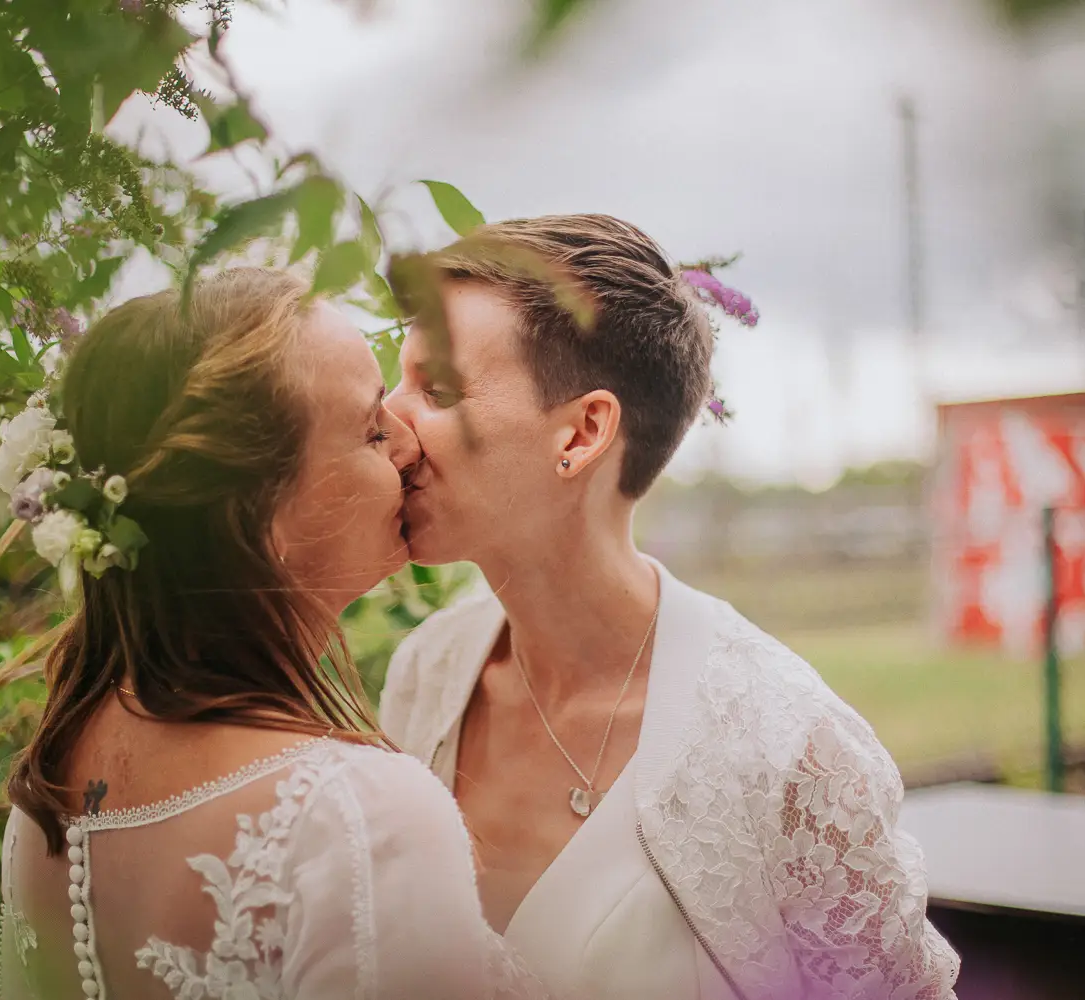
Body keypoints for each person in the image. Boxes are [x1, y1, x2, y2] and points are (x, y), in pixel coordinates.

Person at [381, 215, 961, 1000]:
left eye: (436, 389)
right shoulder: (428, 672)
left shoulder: (789, 749)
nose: (387, 421)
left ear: (582, 432)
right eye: (395, 380)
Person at [0, 269, 545, 1000]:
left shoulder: (49, 793)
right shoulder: (356, 814)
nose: (409, 446)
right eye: (370, 429)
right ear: (261, 513)